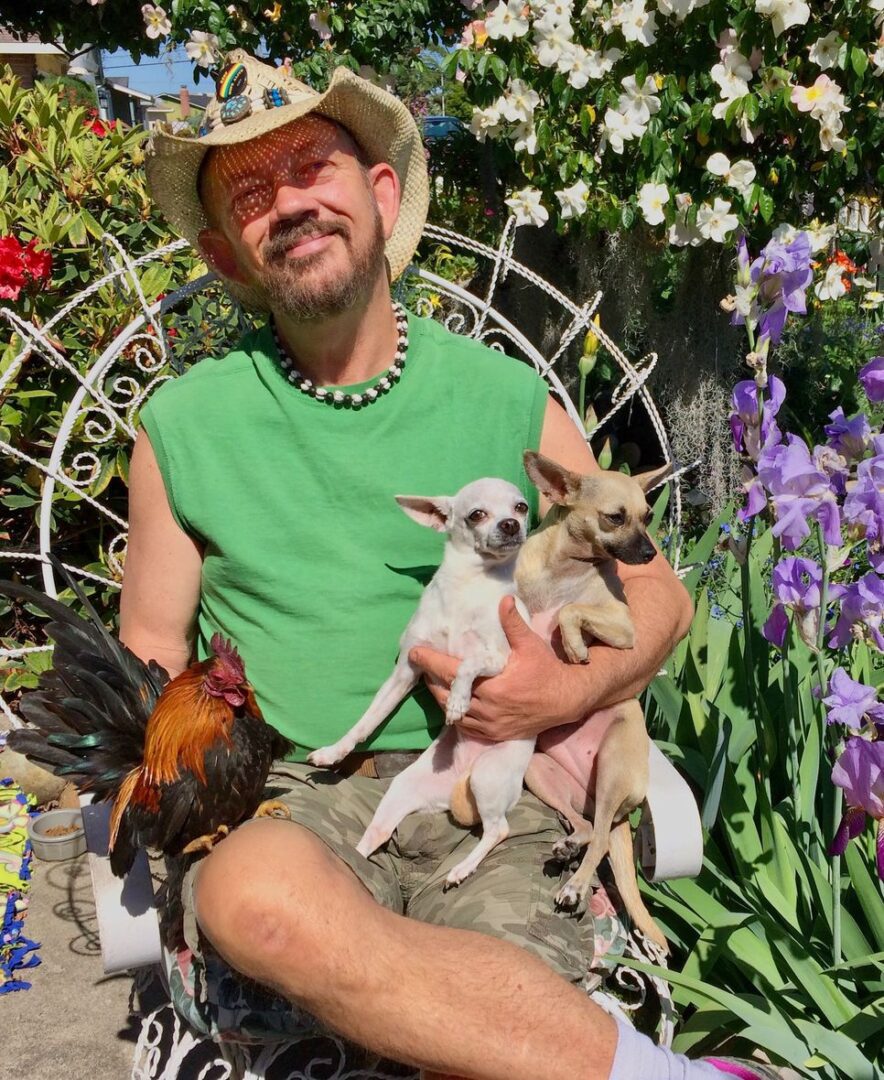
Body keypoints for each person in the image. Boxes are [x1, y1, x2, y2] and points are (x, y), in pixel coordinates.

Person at [124, 50, 784, 1080]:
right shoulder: (183, 425)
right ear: (223, 254)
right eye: (249, 193)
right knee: (254, 900)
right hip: (296, 789)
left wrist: (551, 691)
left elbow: (653, 593)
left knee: (506, 966)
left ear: (380, 193)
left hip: (500, 781)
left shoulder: (505, 399)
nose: (288, 203)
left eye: (312, 168)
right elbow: (152, 647)